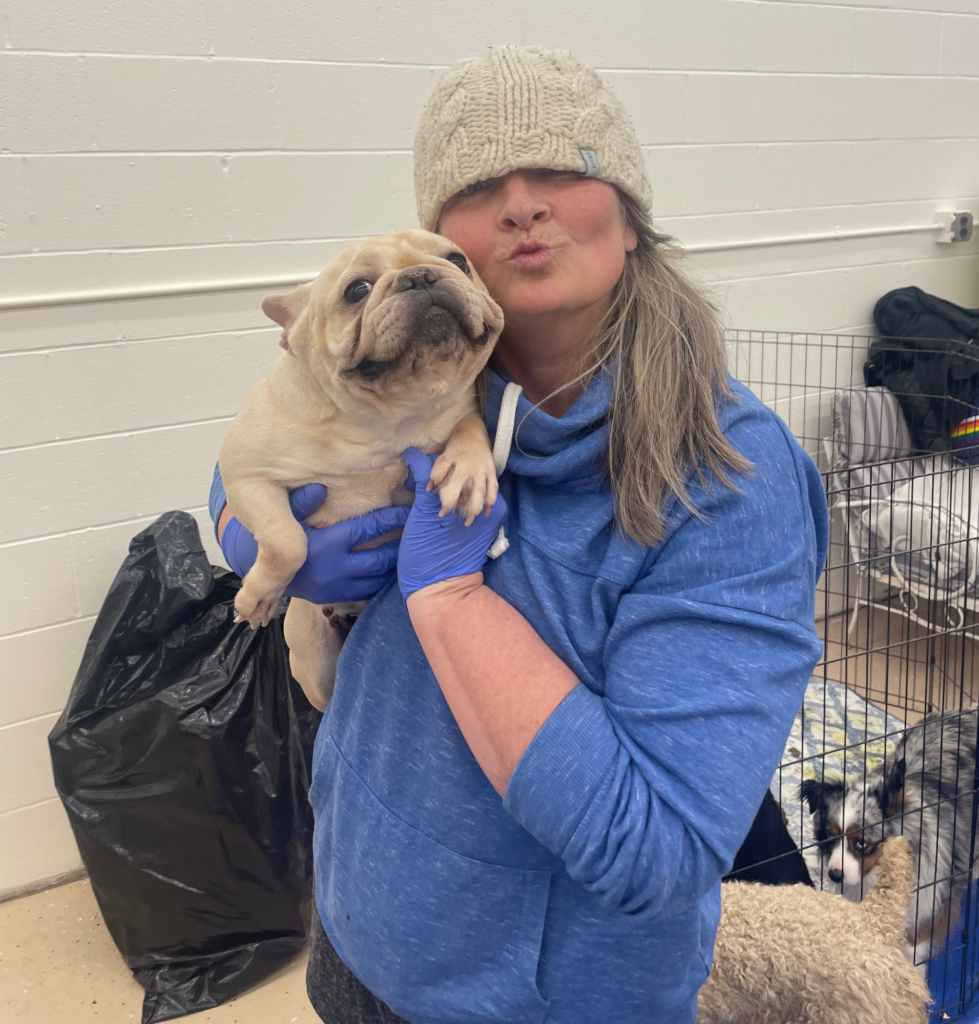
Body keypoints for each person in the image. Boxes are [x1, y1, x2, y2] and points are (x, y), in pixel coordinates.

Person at [210, 45, 828, 1024]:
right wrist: (238, 513)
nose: (520, 205)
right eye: (476, 185)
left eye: (561, 168)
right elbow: (272, 430)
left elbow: (656, 850)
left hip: (531, 1000)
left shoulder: (730, 478)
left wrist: (450, 599)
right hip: (355, 931)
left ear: (629, 214)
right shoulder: (404, 391)